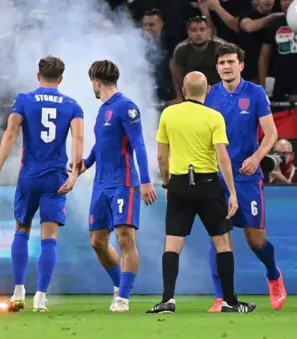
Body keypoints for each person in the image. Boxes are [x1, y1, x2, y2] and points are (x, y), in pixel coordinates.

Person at [146, 71, 256, 314]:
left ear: (183, 91)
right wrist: (233, 193)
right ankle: (230, 302)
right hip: (207, 185)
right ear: (207, 91)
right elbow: (223, 158)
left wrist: (166, 183)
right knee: (222, 243)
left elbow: (162, 156)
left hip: (179, 184)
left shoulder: (169, 113)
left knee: (173, 243)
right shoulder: (214, 117)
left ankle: (168, 300)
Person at [0, 56, 84, 313]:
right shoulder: (72, 106)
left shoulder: (24, 100)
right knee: (49, 237)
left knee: (22, 229)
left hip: (29, 175)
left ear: (38, 75)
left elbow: (10, 133)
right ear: (61, 78)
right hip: (56, 178)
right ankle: (40, 297)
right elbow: (78, 138)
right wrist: (74, 174)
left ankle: (18, 291)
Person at [204, 43, 285, 312]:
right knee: (218, 238)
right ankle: (221, 297)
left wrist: (256, 158)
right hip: (216, 177)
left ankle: (273, 274)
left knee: (256, 240)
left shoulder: (255, 93)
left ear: (241, 65)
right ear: (216, 68)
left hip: (247, 177)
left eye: (230, 62)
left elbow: (271, 133)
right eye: (221, 63)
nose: (226, 66)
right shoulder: (209, 95)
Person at [74, 60, 157, 313]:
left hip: (124, 183)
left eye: (92, 82)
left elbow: (139, 145)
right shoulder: (102, 110)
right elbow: (101, 146)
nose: (92, 86)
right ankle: (118, 286)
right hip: (101, 184)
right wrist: (83, 165)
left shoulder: (126, 107)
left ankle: (123, 298)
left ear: (96, 81)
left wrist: (145, 180)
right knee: (97, 241)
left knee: (124, 238)